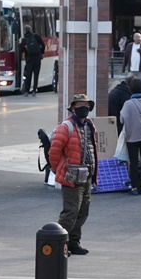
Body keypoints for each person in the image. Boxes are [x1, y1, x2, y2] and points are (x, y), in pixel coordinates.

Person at [49, 94, 98, 252]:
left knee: (82, 212)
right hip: (71, 177)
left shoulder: (89, 125)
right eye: (80, 106)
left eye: (87, 106)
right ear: (73, 109)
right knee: (70, 212)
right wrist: (58, 170)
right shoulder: (66, 127)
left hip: (86, 176)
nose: (84, 109)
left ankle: (73, 243)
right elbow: (54, 152)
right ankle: (57, 245)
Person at [21, 25, 45, 96]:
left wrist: (20, 44)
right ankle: (34, 90)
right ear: (31, 30)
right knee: (36, 75)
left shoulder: (24, 39)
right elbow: (43, 45)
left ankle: (26, 91)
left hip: (29, 60)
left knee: (28, 75)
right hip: (37, 59)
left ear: (24, 31)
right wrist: (41, 53)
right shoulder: (36, 36)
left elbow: (21, 50)